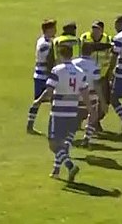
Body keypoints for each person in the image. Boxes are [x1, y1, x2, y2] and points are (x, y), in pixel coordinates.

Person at [32, 41, 90, 183]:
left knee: (53, 144)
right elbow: (84, 92)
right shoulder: (80, 72)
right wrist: (90, 109)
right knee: (64, 144)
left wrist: (38, 101)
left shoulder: (57, 70)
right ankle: (56, 170)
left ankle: (70, 166)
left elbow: (49, 91)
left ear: (60, 55)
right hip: (73, 112)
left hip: (58, 113)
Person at [79, 21, 116, 134]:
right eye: (93, 28)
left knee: (104, 101)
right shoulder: (85, 37)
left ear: (102, 30)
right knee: (86, 99)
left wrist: (110, 70)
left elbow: (113, 55)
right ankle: (85, 121)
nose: (95, 31)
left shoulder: (108, 40)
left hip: (102, 74)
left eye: (97, 29)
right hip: (88, 74)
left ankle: (95, 121)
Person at [26, 19, 58, 133]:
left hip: (40, 75)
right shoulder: (45, 44)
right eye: (54, 28)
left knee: (45, 101)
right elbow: (49, 61)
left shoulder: (44, 41)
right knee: (40, 101)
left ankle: (31, 125)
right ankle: (51, 128)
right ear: (48, 30)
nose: (55, 30)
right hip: (43, 76)